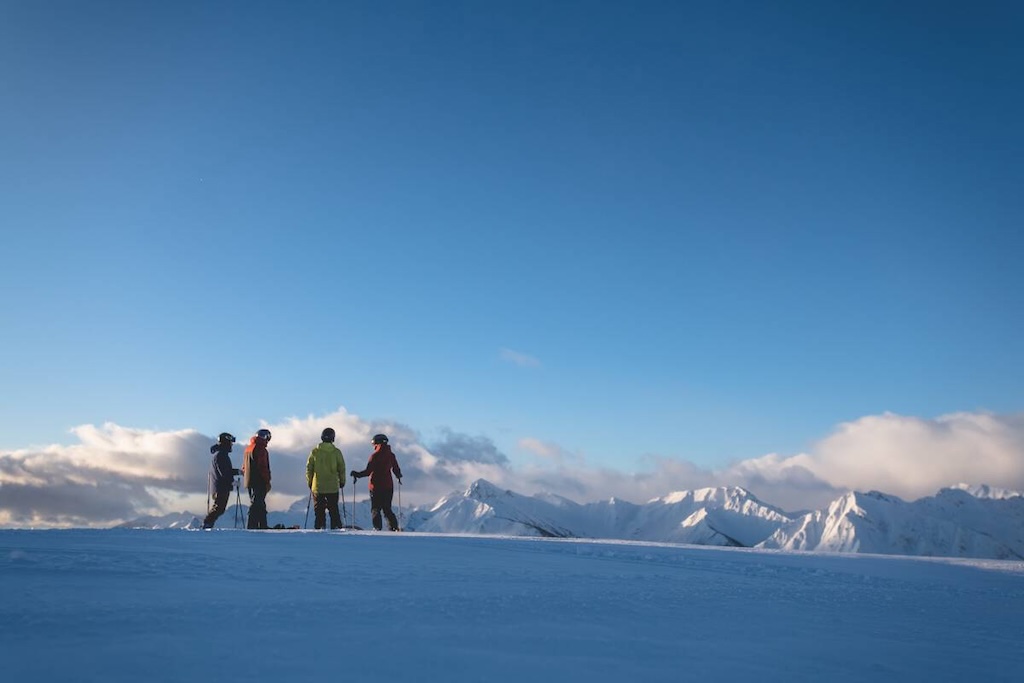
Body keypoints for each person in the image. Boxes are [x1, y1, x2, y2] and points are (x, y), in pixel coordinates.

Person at [351, 433, 403, 531]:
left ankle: (377, 528)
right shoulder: (391, 455)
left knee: (375, 509)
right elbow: (396, 469)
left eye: (374, 444)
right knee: (387, 509)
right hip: (388, 486)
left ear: (376, 443)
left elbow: (367, 472)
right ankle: (394, 528)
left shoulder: (375, 456)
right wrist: (398, 476)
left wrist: (356, 474)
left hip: (376, 487)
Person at [306, 427, 346, 530]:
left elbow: (309, 468)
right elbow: (341, 468)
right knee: (333, 510)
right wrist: (342, 481)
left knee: (319, 511)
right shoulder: (337, 452)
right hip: (332, 486)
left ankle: (319, 528)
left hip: (318, 487)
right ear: (333, 438)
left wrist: (310, 481)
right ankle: (336, 528)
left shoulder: (315, 452)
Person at [203, 432, 239, 529]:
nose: (232, 444)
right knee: (219, 508)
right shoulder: (221, 455)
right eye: (231, 442)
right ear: (226, 442)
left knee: (219, 508)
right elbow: (224, 472)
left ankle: (208, 524)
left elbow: (225, 470)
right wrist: (232, 481)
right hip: (221, 487)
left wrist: (238, 472)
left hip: (219, 486)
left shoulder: (220, 454)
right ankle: (206, 524)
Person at [242, 428, 272, 529]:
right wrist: (267, 481)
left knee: (259, 503)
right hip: (259, 481)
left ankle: (262, 525)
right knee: (256, 504)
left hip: (249, 481)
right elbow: (263, 467)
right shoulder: (261, 449)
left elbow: (244, 467)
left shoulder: (248, 449)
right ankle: (252, 526)